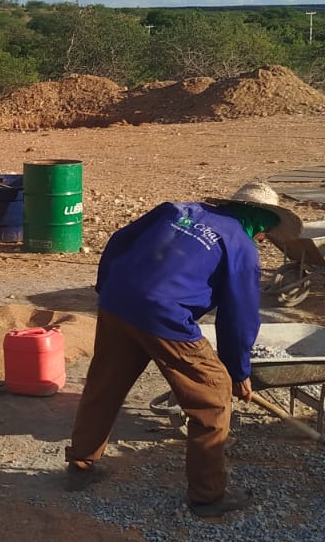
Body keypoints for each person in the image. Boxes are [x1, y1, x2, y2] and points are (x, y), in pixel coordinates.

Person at [65, 180, 300, 519]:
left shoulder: (177, 210)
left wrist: (110, 289)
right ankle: (208, 497)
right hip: (164, 313)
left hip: (118, 300)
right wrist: (237, 372)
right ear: (262, 222)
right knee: (212, 395)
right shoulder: (242, 247)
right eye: (266, 231)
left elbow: (119, 241)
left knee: (106, 382)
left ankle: (81, 465)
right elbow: (240, 316)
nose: (264, 238)